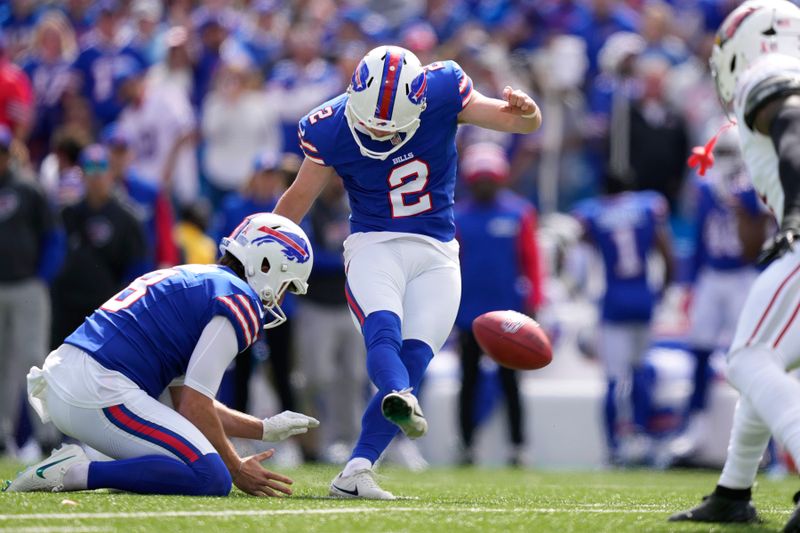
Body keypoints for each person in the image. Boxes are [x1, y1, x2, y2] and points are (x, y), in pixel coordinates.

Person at [273, 45, 541, 498]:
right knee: (384, 334)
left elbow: (517, 122)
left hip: (437, 249)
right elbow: (297, 200)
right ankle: (399, 397)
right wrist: (266, 255)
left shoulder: (442, 91)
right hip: (374, 242)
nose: (379, 136)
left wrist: (529, 113)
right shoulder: (330, 125)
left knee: (415, 356)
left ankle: (356, 469)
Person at [4, 212, 320, 497]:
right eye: (286, 285)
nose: (281, 296)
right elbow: (196, 407)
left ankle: (94, 465)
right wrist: (237, 467)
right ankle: (73, 471)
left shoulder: (202, 280)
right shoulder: (237, 299)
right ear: (266, 265)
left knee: (193, 466)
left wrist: (263, 429)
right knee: (212, 476)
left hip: (76, 378)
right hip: (101, 387)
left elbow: (188, 401)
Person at [670, 2, 800, 528]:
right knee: (762, 354)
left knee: (747, 358)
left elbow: (792, 122)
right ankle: (733, 490)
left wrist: (793, 213)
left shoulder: (767, 74)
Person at [665, 130, 767, 465]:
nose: (724, 159)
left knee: (749, 355)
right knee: (699, 348)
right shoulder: (705, 188)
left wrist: (739, 194)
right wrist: (688, 282)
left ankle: (760, 439)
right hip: (712, 275)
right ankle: (694, 428)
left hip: (742, 275)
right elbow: (698, 235)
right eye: (719, 152)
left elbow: (759, 217)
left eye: (729, 152)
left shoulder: (754, 184)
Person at [572, 175, 674, 465]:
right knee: (639, 371)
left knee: (614, 380)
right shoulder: (647, 207)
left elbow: (578, 255)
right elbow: (667, 252)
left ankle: (615, 445)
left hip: (613, 300)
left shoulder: (592, 212)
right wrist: (665, 290)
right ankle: (641, 436)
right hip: (643, 297)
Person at [453, 142, 544, 466]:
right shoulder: (458, 216)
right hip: (469, 315)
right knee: (469, 382)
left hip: (510, 316)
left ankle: (518, 446)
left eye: (489, 178)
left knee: (511, 383)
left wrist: (533, 302)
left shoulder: (518, 212)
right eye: (480, 178)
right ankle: (466, 444)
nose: (485, 184)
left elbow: (531, 262)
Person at [295, 176, 368, 462]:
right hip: (316, 305)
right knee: (315, 377)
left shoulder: (353, 209)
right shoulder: (311, 211)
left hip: (349, 305)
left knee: (353, 376)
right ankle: (311, 442)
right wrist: (345, 260)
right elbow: (308, 255)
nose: (338, 182)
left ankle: (345, 440)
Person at [0, 125, 62, 455]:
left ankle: (46, 434)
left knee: (33, 360)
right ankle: (1, 433)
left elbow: (53, 237)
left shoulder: (28, 187)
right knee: (2, 363)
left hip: (27, 285)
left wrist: (41, 277)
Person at [49, 144, 148, 347]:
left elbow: (138, 266)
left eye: (101, 167)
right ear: (81, 174)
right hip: (66, 306)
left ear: (112, 172)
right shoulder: (67, 214)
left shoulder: (128, 217)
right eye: (90, 168)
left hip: (106, 308)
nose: (96, 175)